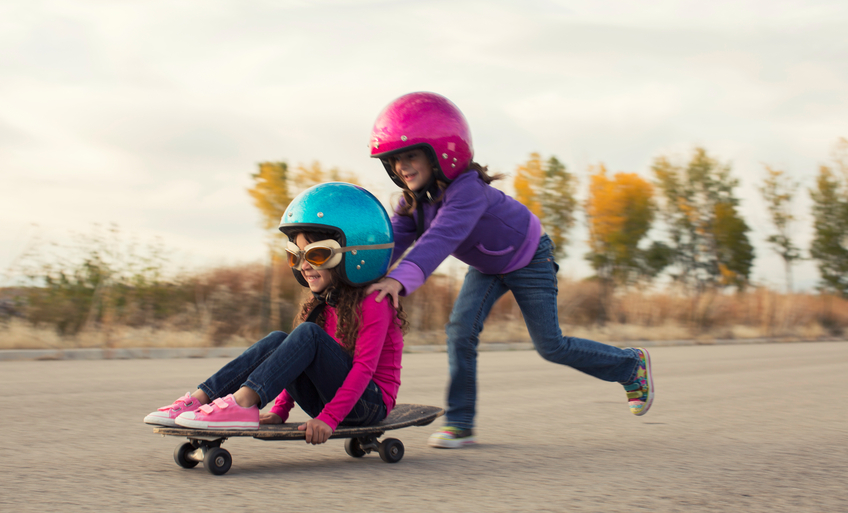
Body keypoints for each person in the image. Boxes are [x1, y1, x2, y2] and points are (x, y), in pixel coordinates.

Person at [365, 92, 654, 449]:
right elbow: (390, 242)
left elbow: (439, 240)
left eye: (410, 156)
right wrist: (358, 271)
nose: (401, 167)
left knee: (551, 346)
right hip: (488, 267)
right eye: (394, 160)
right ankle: (460, 422)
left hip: (530, 257)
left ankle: (630, 366)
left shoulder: (467, 191)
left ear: (442, 152)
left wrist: (398, 280)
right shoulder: (414, 204)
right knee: (459, 332)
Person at [144, 182, 406, 445]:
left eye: (316, 255)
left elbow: (363, 369)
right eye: (296, 256)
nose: (304, 266)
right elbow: (294, 360)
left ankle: (243, 403)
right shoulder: (326, 300)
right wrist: (281, 409)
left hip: (368, 406)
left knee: (307, 334)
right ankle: (199, 400)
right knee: (279, 340)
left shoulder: (376, 300)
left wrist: (329, 418)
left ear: (356, 252)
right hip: (332, 400)